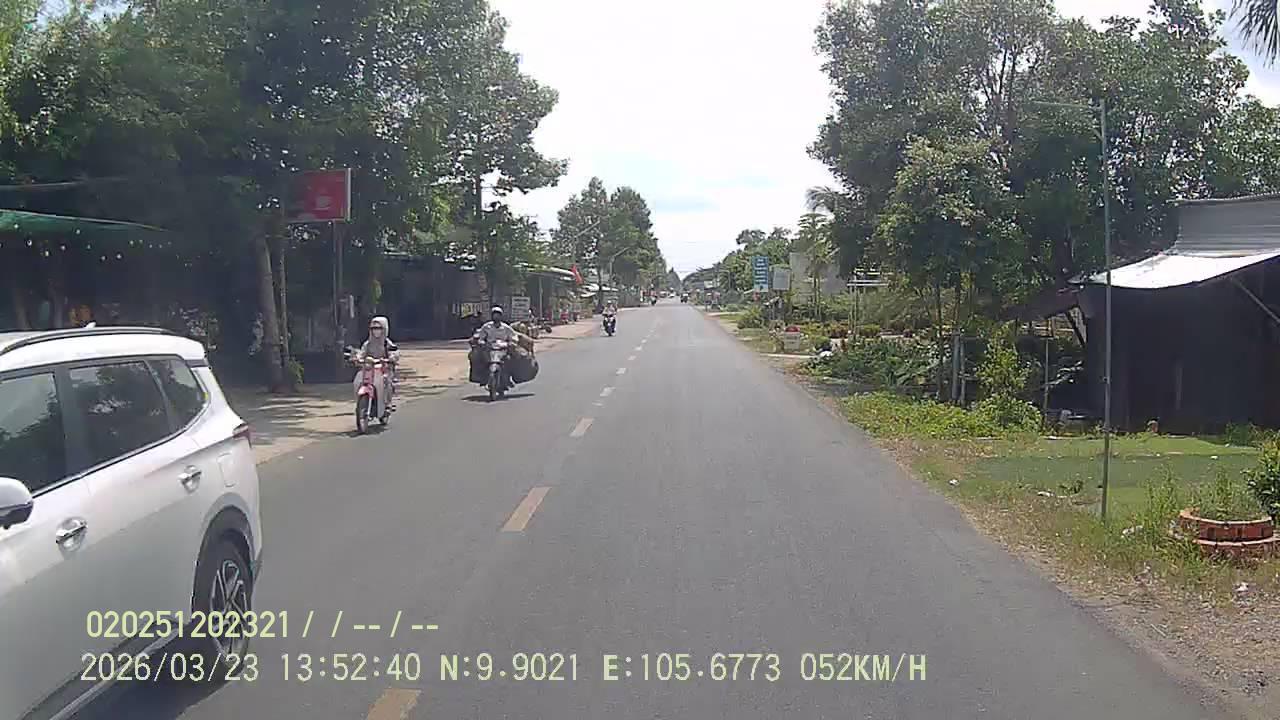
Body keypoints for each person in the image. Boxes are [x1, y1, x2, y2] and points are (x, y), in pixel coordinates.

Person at [354, 316, 399, 408]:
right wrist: (358, 358)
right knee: (358, 381)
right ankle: (360, 403)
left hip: (384, 369)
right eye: (373, 328)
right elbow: (362, 352)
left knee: (386, 382)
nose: (376, 331)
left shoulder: (387, 343)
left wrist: (390, 358)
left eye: (379, 328)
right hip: (369, 369)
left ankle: (387, 403)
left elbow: (394, 352)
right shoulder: (368, 343)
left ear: (384, 329)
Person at [472, 306, 519, 389]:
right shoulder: (486, 327)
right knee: (480, 359)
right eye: (494, 315)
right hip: (490, 349)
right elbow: (481, 337)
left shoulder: (506, 327)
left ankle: (508, 378)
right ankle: (483, 378)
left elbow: (514, 336)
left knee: (511, 360)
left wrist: (512, 342)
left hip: (503, 349)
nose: (496, 317)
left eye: (498, 315)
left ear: (501, 316)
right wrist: (481, 342)